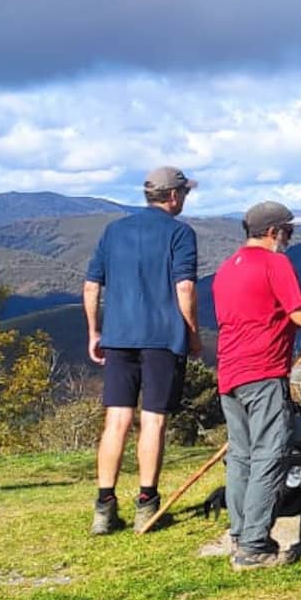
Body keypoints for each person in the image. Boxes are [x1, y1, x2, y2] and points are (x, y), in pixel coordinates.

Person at [212, 200, 301, 570]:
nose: (290, 236)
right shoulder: (275, 263)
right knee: (271, 454)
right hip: (263, 370)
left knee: (240, 456)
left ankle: (240, 533)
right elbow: (298, 315)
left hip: (229, 373)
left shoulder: (226, 269)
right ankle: (254, 546)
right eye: (288, 230)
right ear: (273, 232)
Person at [82, 166, 202, 535]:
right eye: (183, 192)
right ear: (173, 196)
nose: (184, 198)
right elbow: (184, 289)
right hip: (162, 338)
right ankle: (146, 503)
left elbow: (90, 286)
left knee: (116, 420)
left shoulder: (114, 231)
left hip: (118, 336)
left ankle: (104, 506)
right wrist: (194, 335)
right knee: (154, 420)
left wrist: (94, 332)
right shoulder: (180, 233)